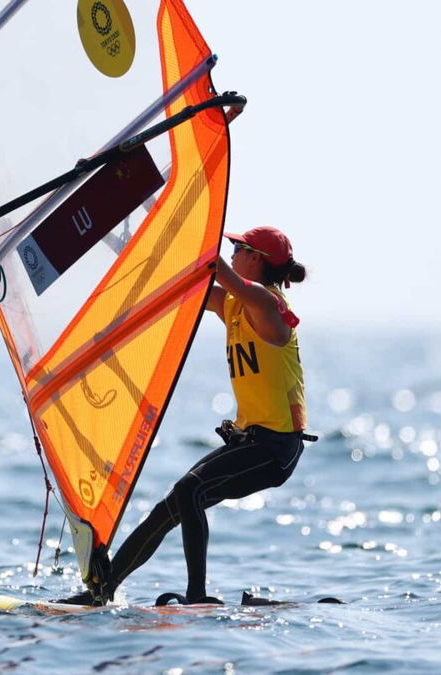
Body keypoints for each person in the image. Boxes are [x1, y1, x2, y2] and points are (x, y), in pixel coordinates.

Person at [58, 225, 312, 606]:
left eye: (238, 248)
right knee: (172, 505)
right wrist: (122, 242)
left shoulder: (264, 301)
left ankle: (197, 597)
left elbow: (212, 266)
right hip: (253, 441)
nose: (233, 253)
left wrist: (199, 225)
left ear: (256, 259)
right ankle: (102, 592)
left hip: (277, 447)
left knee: (190, 490)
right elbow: (179, 281)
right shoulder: (234, 304)